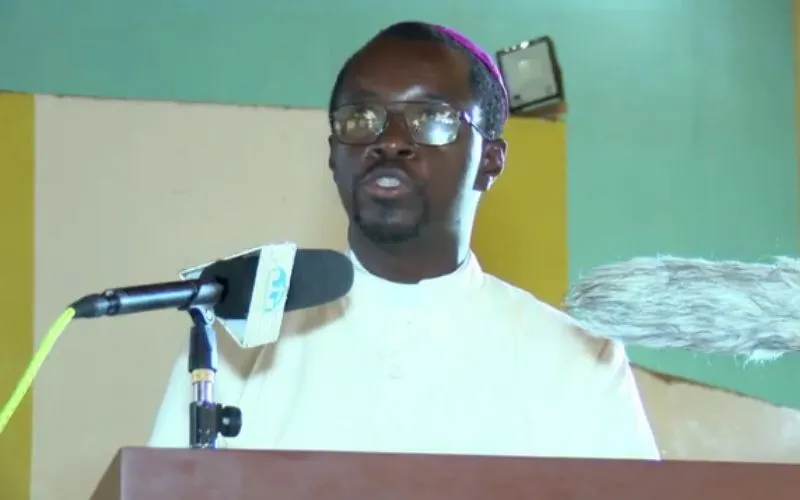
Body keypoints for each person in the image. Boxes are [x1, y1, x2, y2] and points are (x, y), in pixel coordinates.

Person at [148, 21, 660, 460]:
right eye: (360, 118)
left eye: (431, 119)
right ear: (333, 154)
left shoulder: (577, 365)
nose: (388, 141)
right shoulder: (236, 342)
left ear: (491, 160)